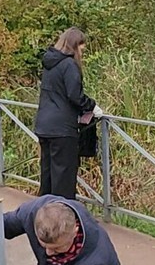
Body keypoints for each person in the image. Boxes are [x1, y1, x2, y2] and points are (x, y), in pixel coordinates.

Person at [33, 27, 104, 199]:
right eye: (81, 46)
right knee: (63, 179)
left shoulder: (50, 64)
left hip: (44, 125)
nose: (83, 50)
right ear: (75, 45)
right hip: (62, 129)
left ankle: (43, 216)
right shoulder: (69, 65)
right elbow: (75, 95)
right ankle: (62, 220)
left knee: (48, 176)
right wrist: (93, 106)